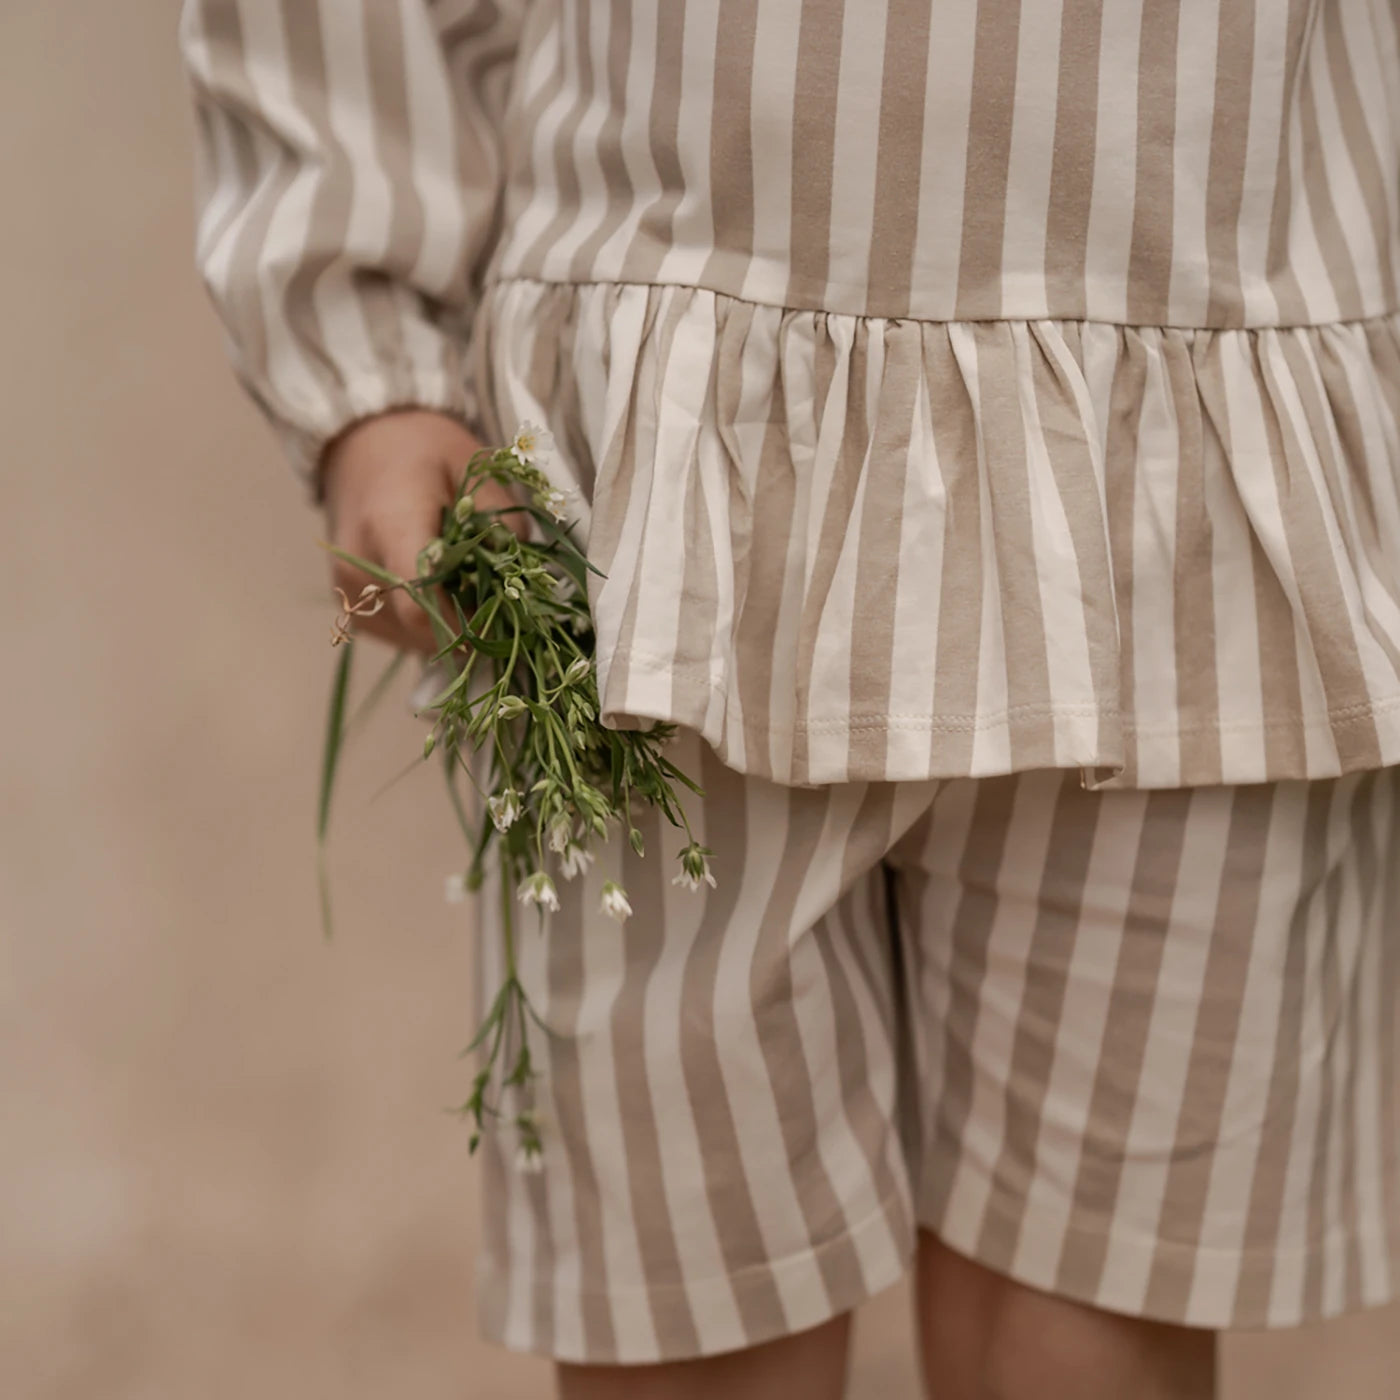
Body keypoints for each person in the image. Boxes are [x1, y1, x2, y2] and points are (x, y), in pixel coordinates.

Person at [179, 3, 1400, 1396]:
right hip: (664, 445)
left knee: (1089, 1323)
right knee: (695, 1308)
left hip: (1206, 378)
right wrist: (367, 364)